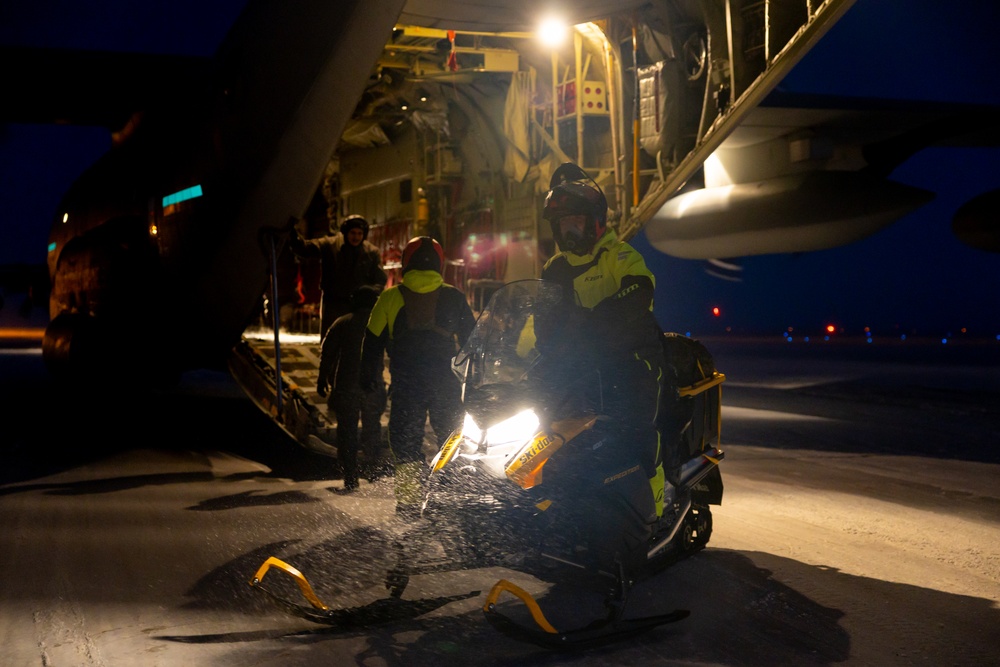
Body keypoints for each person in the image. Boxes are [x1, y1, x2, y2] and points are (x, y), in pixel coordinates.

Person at [537, 162, 668, 517]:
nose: (569, 231)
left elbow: (641, 288)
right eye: (563, 224)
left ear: (595, 221)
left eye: (575, 222)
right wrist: (517, 356)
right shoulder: (554, 268)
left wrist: (603, 318)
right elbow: (540, 316)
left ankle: (653, 502)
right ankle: (553, 499)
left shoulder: (619, 255)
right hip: (578, 364)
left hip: (629, 358)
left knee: (636, 424)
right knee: (541, 419)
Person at [359, 236, 475, 519]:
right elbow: (474, 342)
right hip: (445, 383)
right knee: (450, 438)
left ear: (405, 263)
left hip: (407, 384)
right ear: (439, 263)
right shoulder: (455, 296)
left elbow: (372, 342)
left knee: (405, 443)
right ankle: (448, 498)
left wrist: (367, 377)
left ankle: (409, 505)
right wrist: (474, 381)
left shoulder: (389, 297)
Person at [317, 285, 387, 491]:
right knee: (372, 429)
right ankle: (373, 472)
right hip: (373, 386)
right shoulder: (381, 323)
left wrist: (322, 379)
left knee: (347, 432)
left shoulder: (342, 323)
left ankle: (350, 476)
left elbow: (327, 353)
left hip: (347, 386)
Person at [288, 214, 388, 336]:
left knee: (356, 344)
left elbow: (380, 279)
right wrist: (292, 234)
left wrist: (369, 293)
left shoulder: (371, 252)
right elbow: (305, 248)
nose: (356, 237)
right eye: (353, 233)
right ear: (345, 232)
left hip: (359, 307)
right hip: (334, 304)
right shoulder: (330, 245)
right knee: (331, 340)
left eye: (359, 233)